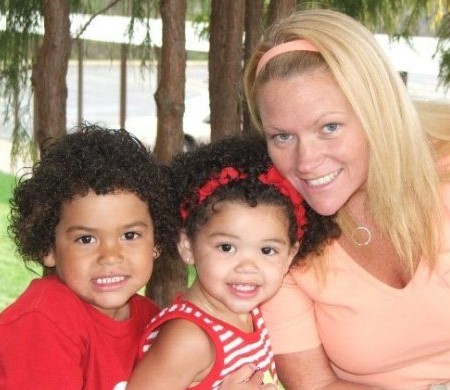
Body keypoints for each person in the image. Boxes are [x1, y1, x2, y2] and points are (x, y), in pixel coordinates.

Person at [243, 7, 450, 390]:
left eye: (330, 127)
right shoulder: (278, 237)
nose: (306, 162)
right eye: (282, 137)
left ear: (378, 112)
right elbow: (315, 384)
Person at [126, 136, 337, 389]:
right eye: (227, 247)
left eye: (267, 250)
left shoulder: (250, 315)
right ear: (187, 246)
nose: (248, 266)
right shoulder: (189, 338)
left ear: (289, 256)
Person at [0, 124, 179, 389]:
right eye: (86, 239)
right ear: (49, 248)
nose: (110, 255)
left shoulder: (150, 320)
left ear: (156, 241)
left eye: (130, 235)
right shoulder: (44, 320)